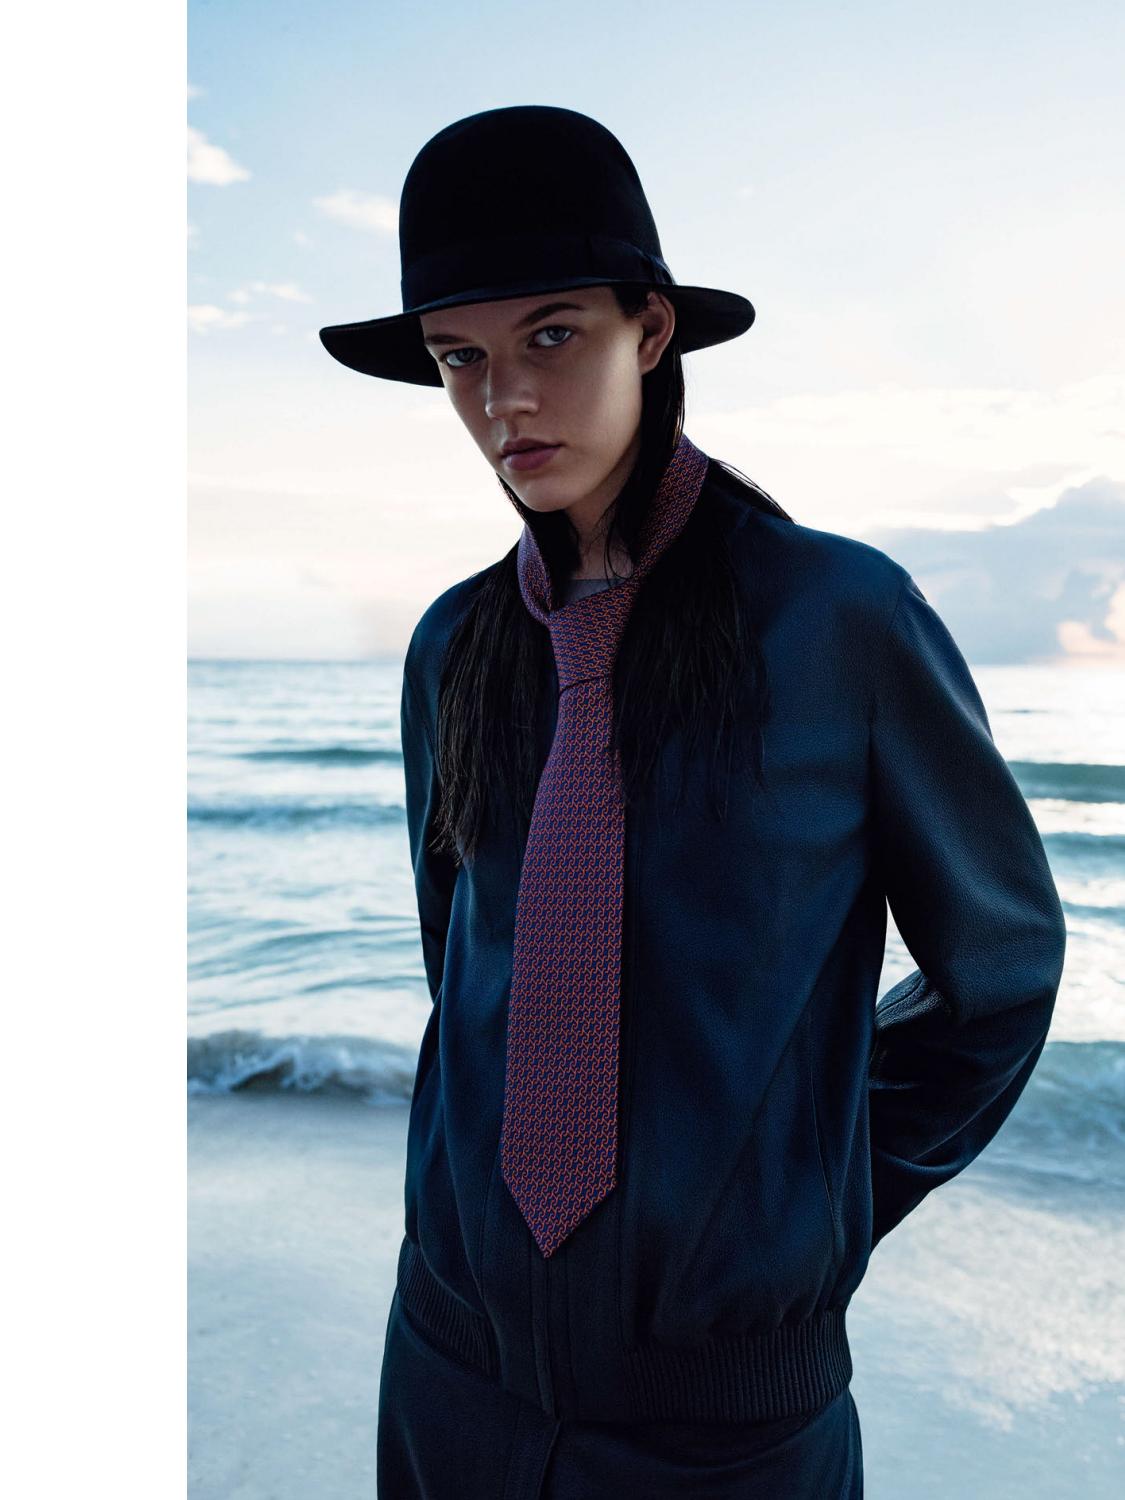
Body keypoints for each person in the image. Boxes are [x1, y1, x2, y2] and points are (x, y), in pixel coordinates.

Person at [319, 105, 1067, 1500]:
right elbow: (465, 964)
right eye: (459, 358)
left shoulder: (839, 619)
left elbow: (1002, 972)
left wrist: (804, 1207)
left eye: (551, 336)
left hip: (727, 1422)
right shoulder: (453, 646)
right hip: (448, 1370)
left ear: (649, 331)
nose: (503, 400)